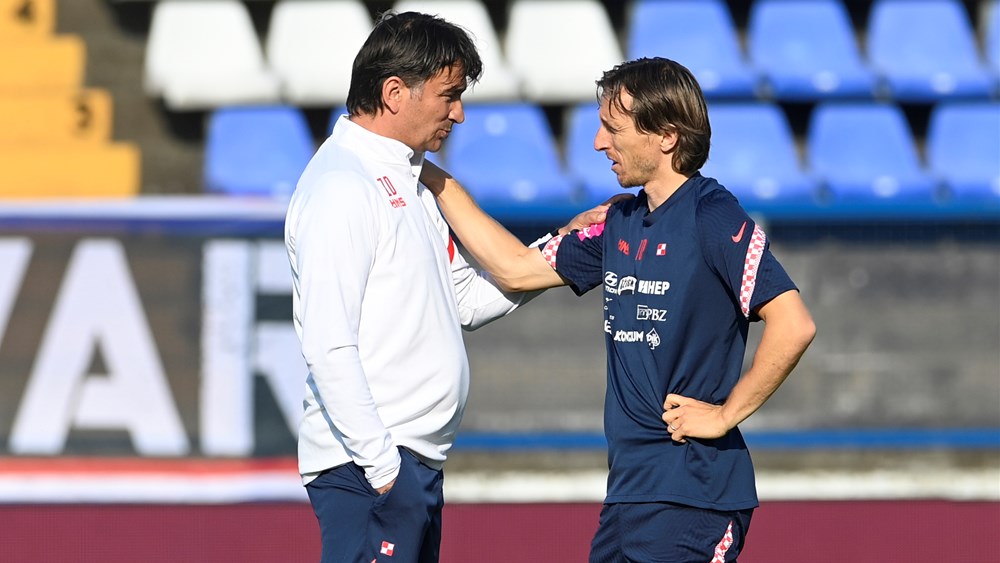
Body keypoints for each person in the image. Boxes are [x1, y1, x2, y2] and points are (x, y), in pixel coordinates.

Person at [420, 57, 817, 562]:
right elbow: (514, 269)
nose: (597, 143)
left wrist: (724, 415)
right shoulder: (618, 221)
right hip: (628, 498)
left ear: (666, 136)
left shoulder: (713, 214)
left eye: (613, 128)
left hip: (694, 496)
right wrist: (423, 171)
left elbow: (794, 323)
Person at [283, 11, 609, 563]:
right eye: (449, 95)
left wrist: (562, 249)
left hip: (410, 466)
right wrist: (386, 473)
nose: (458, 113)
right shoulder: (342, 186)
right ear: (394, 93)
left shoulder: (409, 179)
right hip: (371, 471)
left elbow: (467, 300)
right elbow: (327, 345)